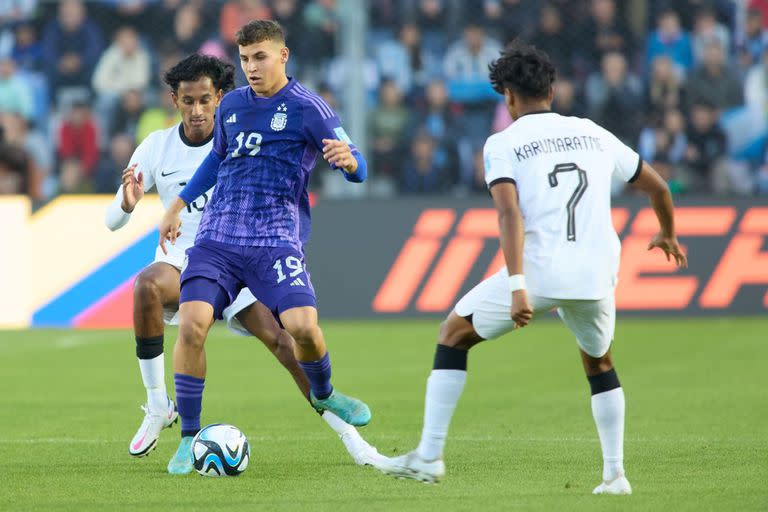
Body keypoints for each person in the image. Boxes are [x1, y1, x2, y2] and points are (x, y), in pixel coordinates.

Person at [374, 41, 687, 495]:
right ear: (553, 90)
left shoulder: (503, 142)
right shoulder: (593, 133)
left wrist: (518, 285)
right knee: (599, 361)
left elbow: (509, 215)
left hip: (539, 273)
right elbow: (659, 187)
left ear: (509, 97)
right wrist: (669, 233)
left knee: (453, 334)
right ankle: (615, 476)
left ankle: (428, 454)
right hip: (596, 273)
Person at [105, 53, 378, 468]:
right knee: (148, 286)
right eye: (187, 101)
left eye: (204, 101)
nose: (197, 110)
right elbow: (112, 220)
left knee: (285, 343)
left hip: (246, 251)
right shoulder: (157, 147)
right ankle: (160, 405)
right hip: (191, 258)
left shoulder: (244, 126)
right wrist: (127, 204)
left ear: (219, 98)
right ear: (174, 101)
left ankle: (353, 440)